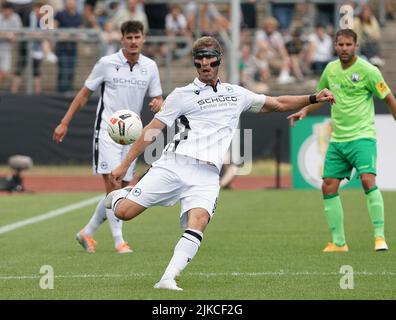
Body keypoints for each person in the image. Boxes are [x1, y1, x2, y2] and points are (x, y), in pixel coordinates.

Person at [104, 36, 335, 290]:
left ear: (219, 60)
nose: (205, 64)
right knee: (124, 213)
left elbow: (278, 102)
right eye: (199, 60)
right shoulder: (181, 95)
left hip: (207, 175)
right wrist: (125, 165)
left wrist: (314, 98)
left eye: (209, 59)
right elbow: (152, 130)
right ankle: (121, 195)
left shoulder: (236, 94)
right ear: (195, 63)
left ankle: (168, 278)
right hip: (174, 164)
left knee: (199, 220)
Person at [52, 20, 163, 254]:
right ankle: (119, 241)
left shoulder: (150, 67)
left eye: (137, 37)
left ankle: (87, 233)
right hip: (108, 131)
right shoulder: (106, 63)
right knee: (113, 186)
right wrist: (64, 122)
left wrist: (157, 102)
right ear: (121, 39)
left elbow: (158, 99)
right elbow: (83, 95)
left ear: (143, 39)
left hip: (133, 134)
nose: (133, 42)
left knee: (123, 190)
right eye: (129, 37)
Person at [288, 29, 396, 253]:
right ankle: (339, 243)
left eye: (349, 44)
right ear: (335, 46)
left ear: (356, 45)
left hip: (362, 137)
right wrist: (305, 111)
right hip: (338, 141)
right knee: (328, 186)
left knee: (368, 181)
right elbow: (321, 96)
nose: (344, 48)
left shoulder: (368, 71)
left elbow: (388, 98)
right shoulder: (330, 69)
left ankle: (379, 237)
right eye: (341, 44)